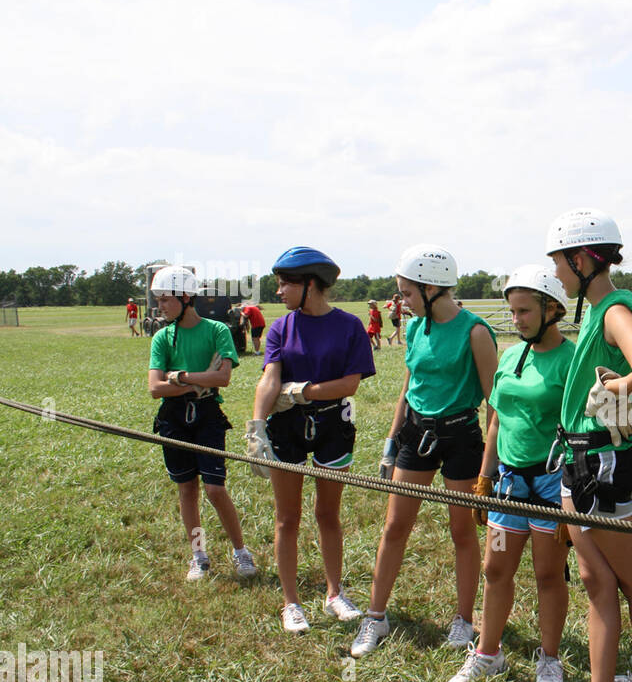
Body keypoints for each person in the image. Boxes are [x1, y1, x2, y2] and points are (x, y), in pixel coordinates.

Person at [537, 208, 632, 682]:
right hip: (582, 462)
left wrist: (612, 391)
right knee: (598, 581)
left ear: (582, 258)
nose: (557, 272)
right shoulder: (596, 310)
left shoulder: (613, 309)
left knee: (629, 583)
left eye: (560, 262)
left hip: (599, 466)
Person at [351, 245, 497, 658]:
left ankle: (464, 621)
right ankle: (375, 617)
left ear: (432, 288)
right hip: (416, 436)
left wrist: (489, 468)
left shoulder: (476, 332)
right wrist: (390, 443)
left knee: (462, 531)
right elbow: (408, 389)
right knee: (395, 526)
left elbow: (493, 404)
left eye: (407, 294)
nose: (402, 303)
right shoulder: (415, 329)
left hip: (460, 439)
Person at [447, 265, 573, 682]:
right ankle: (488, 653)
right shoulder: (510, 356)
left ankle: (550, 661)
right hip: (508, 485)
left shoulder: (570, 362)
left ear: (552, 309)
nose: (515, 319)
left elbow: (580, 429)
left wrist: (570, 502)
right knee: (495, 567)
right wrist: (484, 479)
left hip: (551, 486)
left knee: (547, 575)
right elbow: (497, 421)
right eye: (512, 311)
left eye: (524, 311)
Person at [244, 247, 375, 633]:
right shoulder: (281, 328)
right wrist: (257, 426)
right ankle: (291, 603)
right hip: (287, 427)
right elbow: (270, 379)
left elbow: (350, 383)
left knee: (327, 514)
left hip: (334, 425)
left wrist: (303, 391)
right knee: (287, 517)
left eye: (286, 283)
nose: (280, 291)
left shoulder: (349, 326)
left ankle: (335, 593)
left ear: (311, 284)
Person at [147, 265, 258, 583]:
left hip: (208, 416)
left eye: (166, 299)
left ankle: (241, 552)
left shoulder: (217, 331)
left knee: (214, 488)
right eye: (159, 300)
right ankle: (199, 555)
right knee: (187, 490)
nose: (160, 307)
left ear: (185, 297)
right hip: (173, 419)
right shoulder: (162, 338)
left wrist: (180, 377)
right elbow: (155, 389)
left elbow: (222, 378)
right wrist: (197, 383)